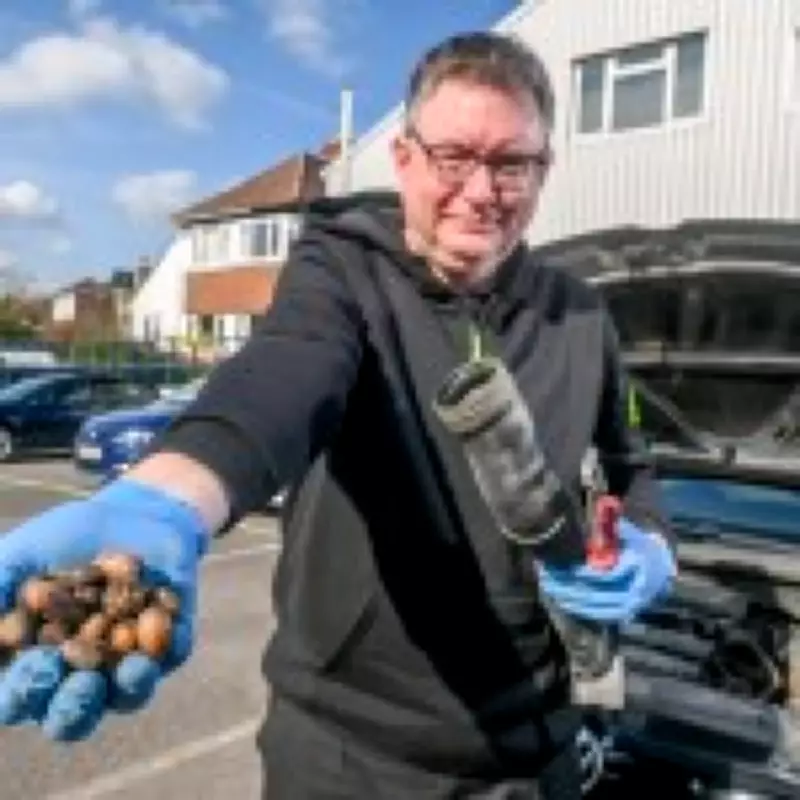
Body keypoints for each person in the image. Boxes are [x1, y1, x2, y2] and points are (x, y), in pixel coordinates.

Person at [0, 31, 677, 799]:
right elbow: (283, 377)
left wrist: (651, 552)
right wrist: (169, 497)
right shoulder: (340, 274)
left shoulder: (582, 315)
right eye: (454, 157)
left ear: (542, 169)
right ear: (406, 160)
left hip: (538, 750)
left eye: (510, 163)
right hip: (350, 755)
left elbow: (634, 467)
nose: (481, 190)